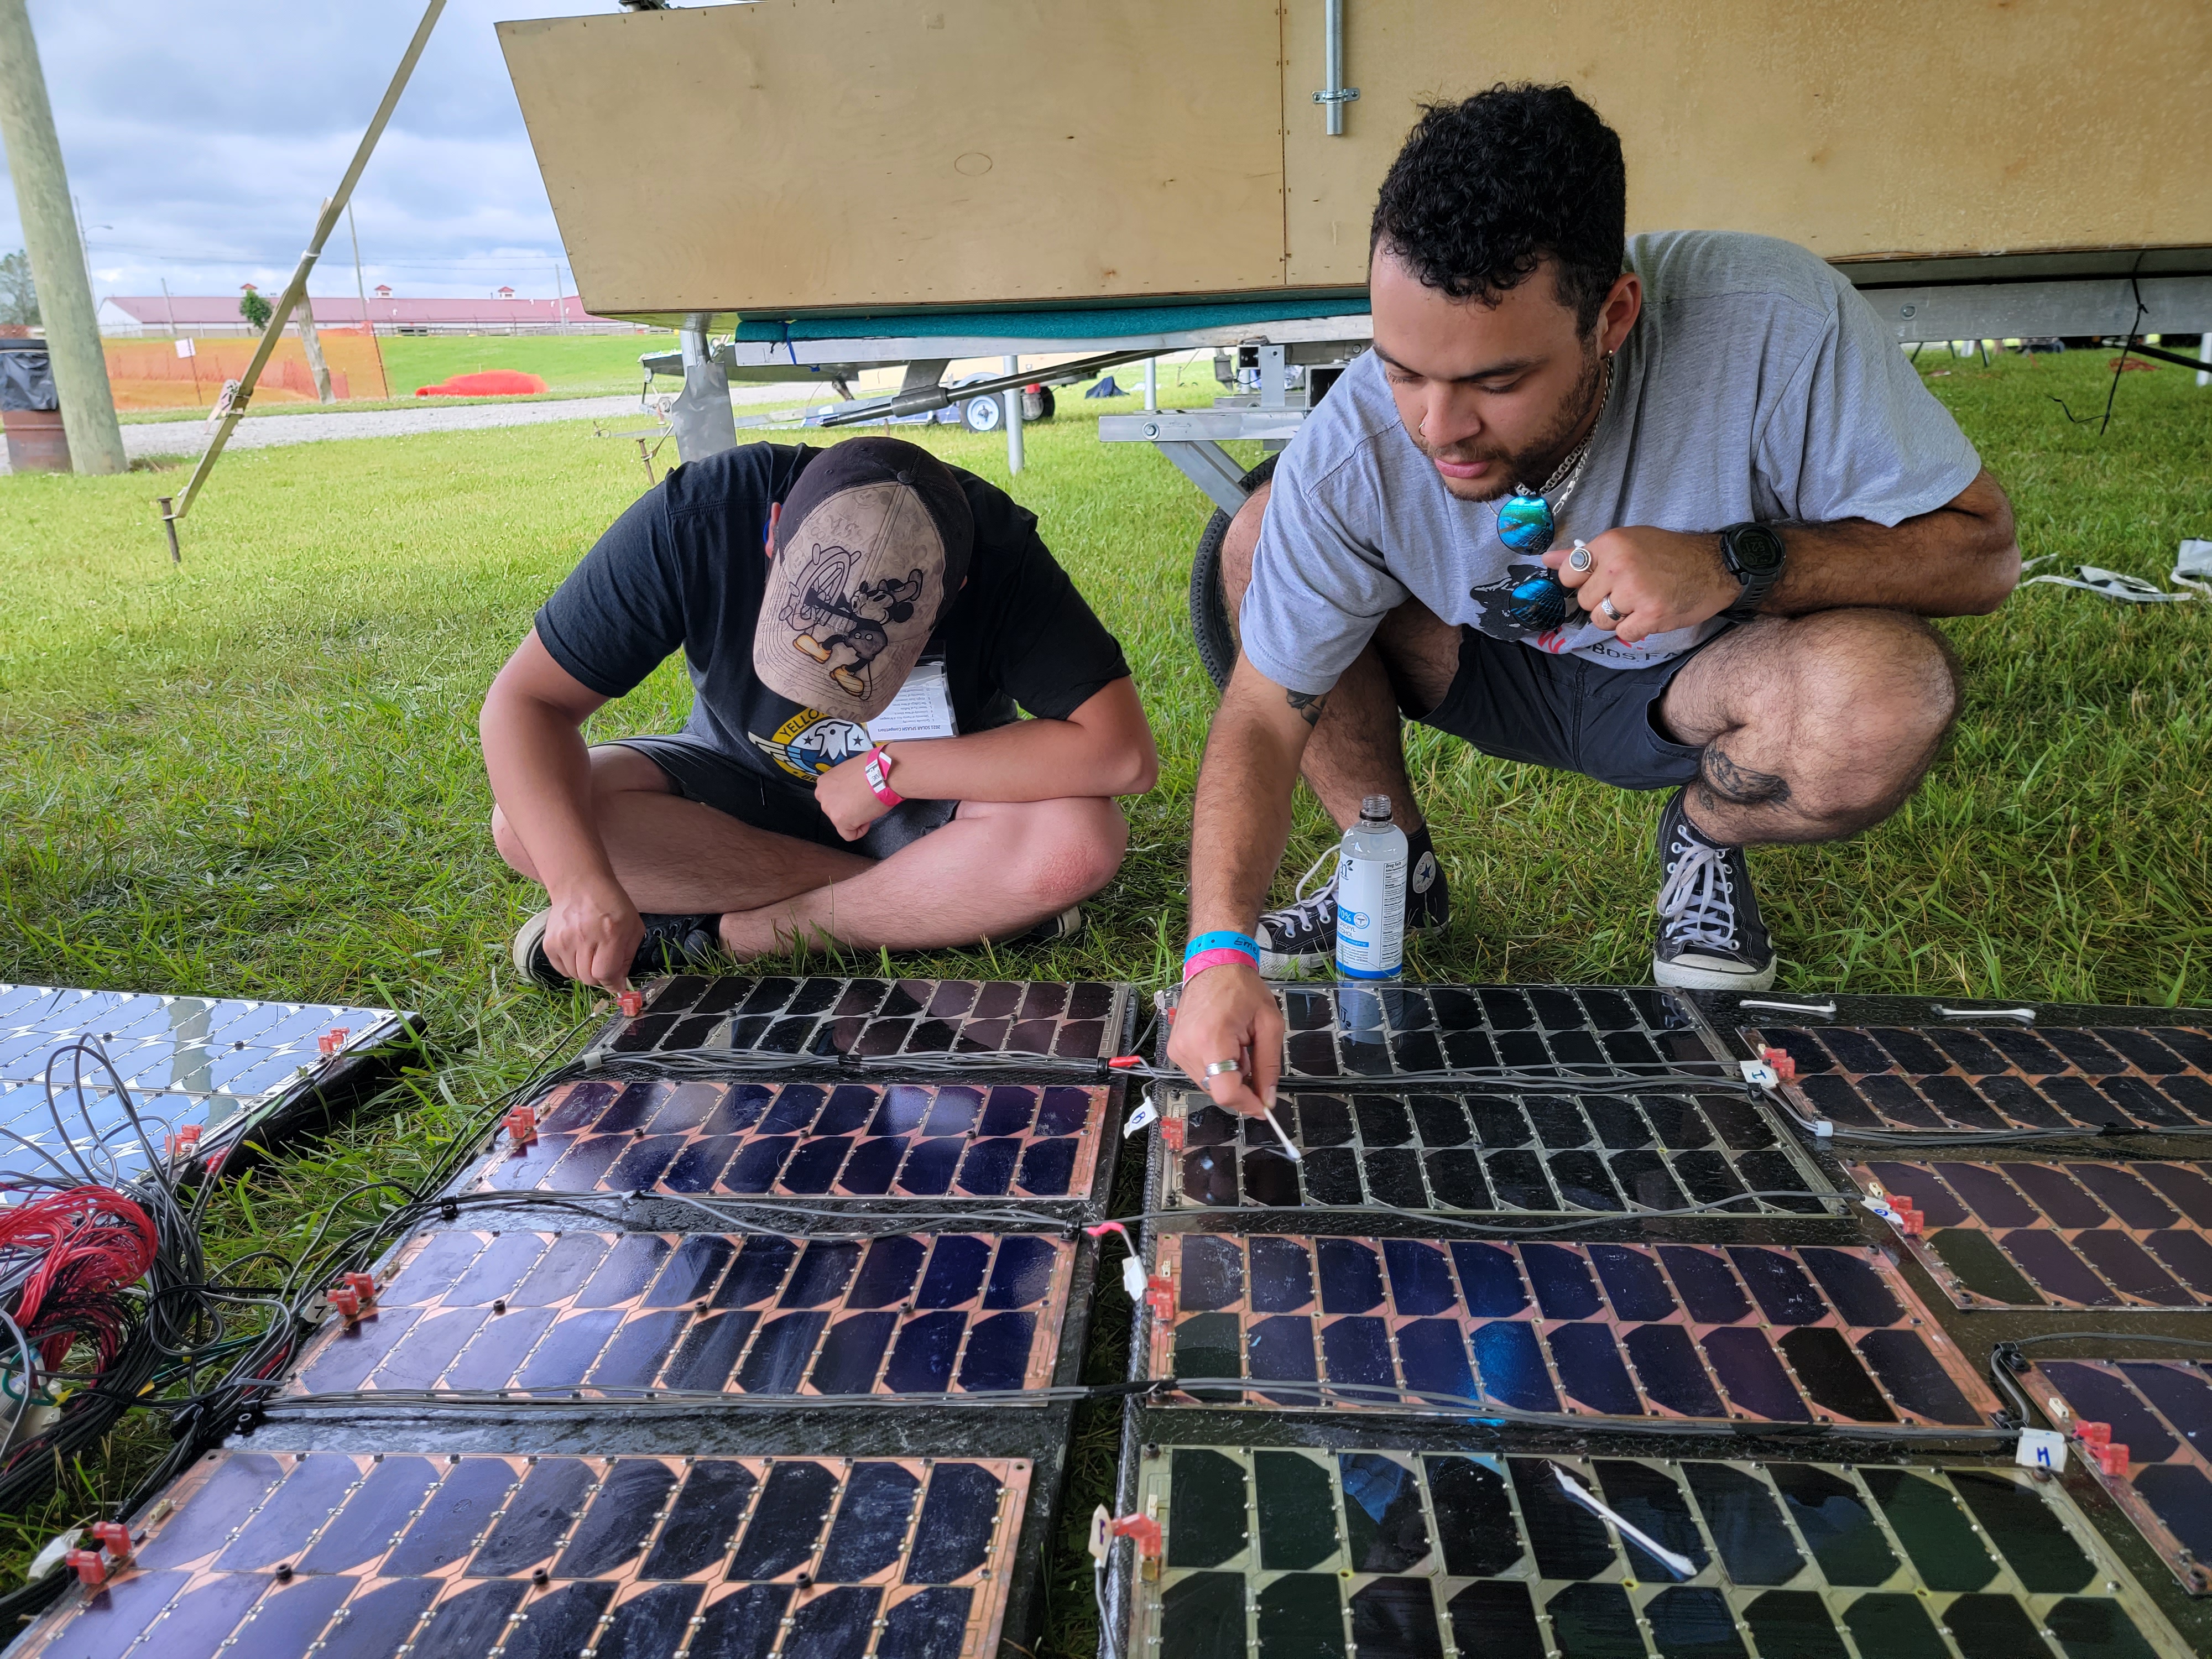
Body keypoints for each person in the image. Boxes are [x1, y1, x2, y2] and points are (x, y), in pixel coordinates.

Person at [1168, 83, 2019, 1114]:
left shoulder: (1773, 321)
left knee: (1886, 691)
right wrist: (1216, 953)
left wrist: (1738, 559)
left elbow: (1980, 556)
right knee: (1262, 536)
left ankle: (1708, 833)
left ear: (1613, 314)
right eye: (1401, 370)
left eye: (1495, 380)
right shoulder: (1359, 440)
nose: (1437, 427)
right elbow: (1265, 708)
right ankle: (1387, 867)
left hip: (1707, 674)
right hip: (1479, 660)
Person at [483, 435, 1156, 992]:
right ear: (773, 531)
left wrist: (888, 772)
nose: (830, 667)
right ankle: (934, 905)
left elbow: (1120, 754)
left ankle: (721, 939)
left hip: (924, 803)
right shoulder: (699, 518)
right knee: (525, 822)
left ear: (958, 588)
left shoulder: (1004, 558)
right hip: (731, 780)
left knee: (1076, 841)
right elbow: (526, 703)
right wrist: (578, 888)